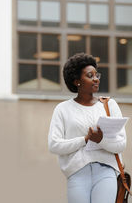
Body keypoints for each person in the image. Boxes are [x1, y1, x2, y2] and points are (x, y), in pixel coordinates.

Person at [48, 52, 127, 203]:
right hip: (77, 173)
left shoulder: (109, 105)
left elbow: (121, 144)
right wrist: (85, 140)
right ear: (77, 81)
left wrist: (101, 140)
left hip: (106, 171)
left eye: (97, 75)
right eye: (90, 76)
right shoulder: (62, 109)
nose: (96, 79)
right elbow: (54, 145)